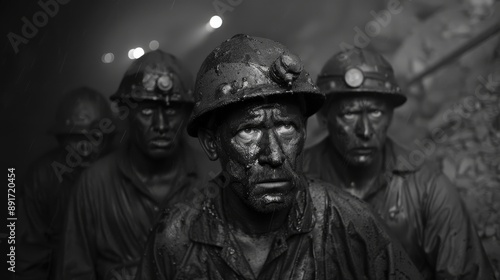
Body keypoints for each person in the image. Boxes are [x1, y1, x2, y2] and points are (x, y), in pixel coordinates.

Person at [135, 34, 423, 280]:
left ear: (305, 132)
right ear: (211, 143)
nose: (273, 154)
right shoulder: (176, 237)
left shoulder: (351, 224)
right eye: (248, 130)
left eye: (287, 127)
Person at [303, 47, 495, 279]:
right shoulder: (295, 182)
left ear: (390, 116)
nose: (364, 131)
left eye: (375, 113)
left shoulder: (427, 187)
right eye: (349, 114)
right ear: (324, 118)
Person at [58, 50, 211, 280]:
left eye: (171, 109)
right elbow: (73, 271)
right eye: (147, 110)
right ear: (127, 113)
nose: (161, 124)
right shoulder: (94, 183)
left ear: (188, 114)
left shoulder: (212, 176)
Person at [17, 87, 115, 280]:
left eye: (94, 138)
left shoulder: (123, 170)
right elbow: (27, 254)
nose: (85, 149)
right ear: (61, 139)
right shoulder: (42, 176)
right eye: (76, 138)